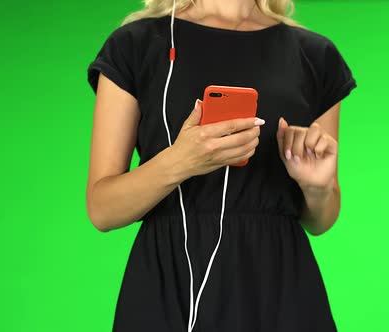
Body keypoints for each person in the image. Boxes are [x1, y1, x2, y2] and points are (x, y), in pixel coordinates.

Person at [85, 0, 357, 331]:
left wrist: (317, 187)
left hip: (279, 288)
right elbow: (102, 209)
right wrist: (181, 161)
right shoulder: (135, 45)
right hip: (169, 283)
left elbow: (320, 220)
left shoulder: (314, 55)